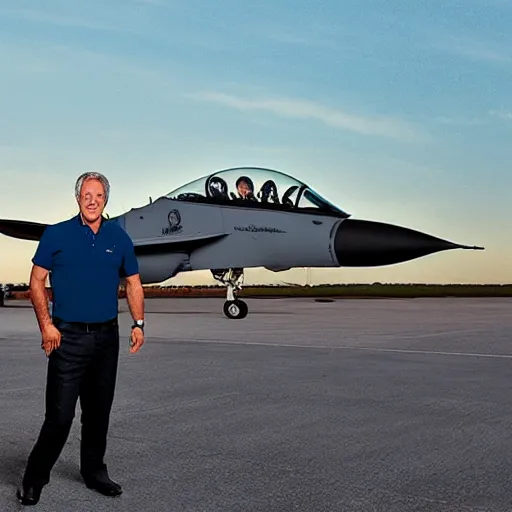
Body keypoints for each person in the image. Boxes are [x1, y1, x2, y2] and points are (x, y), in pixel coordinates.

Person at [17, 171, 145, 506]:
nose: (92, 200)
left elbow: (133, 282)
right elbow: (36, 281)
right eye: (86, 195)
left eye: (98, 195)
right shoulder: (56, 235)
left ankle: (94, 472)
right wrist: (46, 325)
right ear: (77, 198)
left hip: (106, 337)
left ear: (106, 199)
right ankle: (34, 478)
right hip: (67, 336)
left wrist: (139, 323)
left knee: (99, 411)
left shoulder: (119, 238)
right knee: (60, 416)